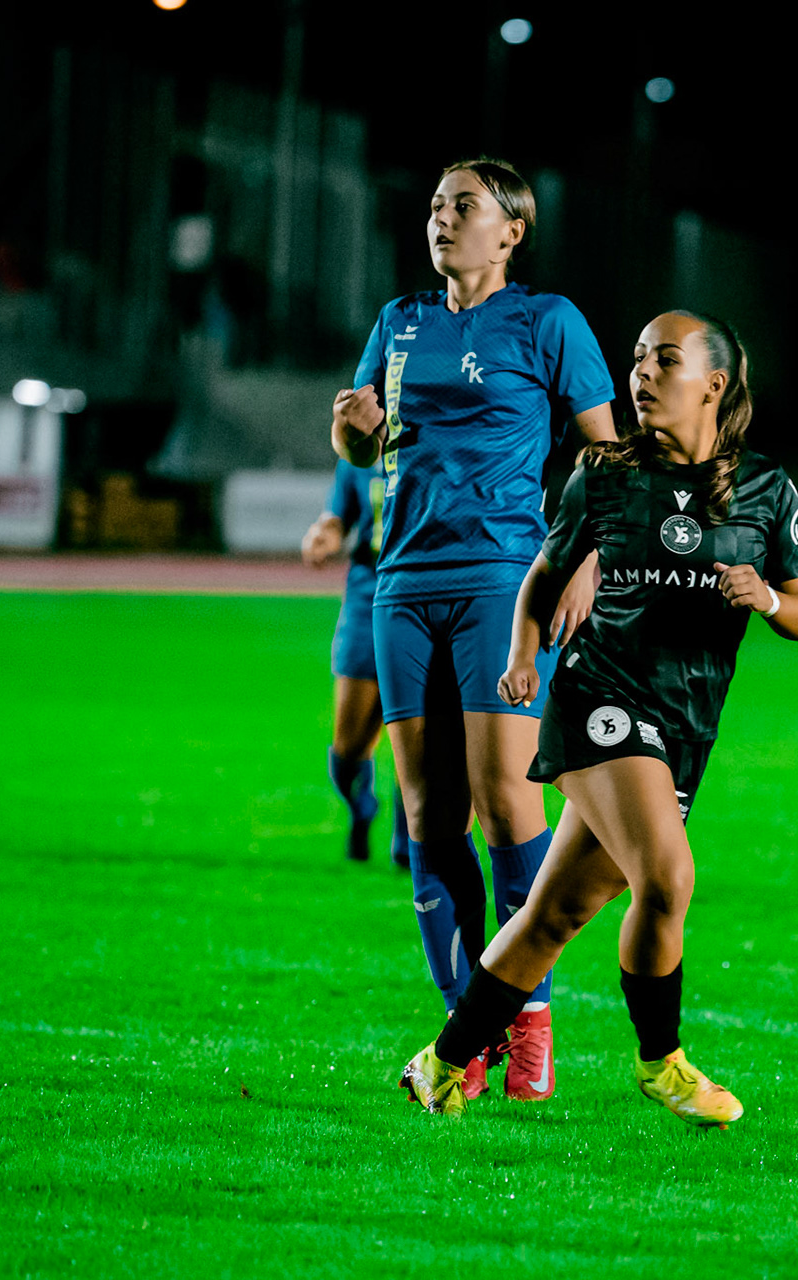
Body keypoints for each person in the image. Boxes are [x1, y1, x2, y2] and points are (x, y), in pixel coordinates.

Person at [397, 310, 798, 1126]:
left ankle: (439, 1065)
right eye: (637, 359)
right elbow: (543, 578)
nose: (642, 374)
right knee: (668, 877)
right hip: (600, 698)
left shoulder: (767, 487)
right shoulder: (605, 472)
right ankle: (662, 1063)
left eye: (665, 360)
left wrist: (763, 596)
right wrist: (523, 655)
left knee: (553, 915)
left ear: (715, 384)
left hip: (686, 727)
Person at [331, 157, 617, 1103]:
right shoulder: (397, 322)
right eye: (435, 207)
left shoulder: (549, 321)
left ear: (513, 228)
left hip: (504, 576)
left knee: (506, 802)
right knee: (425, 817)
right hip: (401, 578)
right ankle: (469, 1027)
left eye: (464, 207)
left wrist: (583, 559)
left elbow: (606, 454)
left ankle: (525, 1014)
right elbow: (363, 444)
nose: (442, 220)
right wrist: (356, 427)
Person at [302, 457, 407, 865]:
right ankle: (361, 806)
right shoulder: (359, 452)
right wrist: (323, 533)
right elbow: (336, 516)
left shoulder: (439, 430)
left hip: (424, 594)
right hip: (367, 596)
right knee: (347, 750)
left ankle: (410, 838)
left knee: (417, 734)